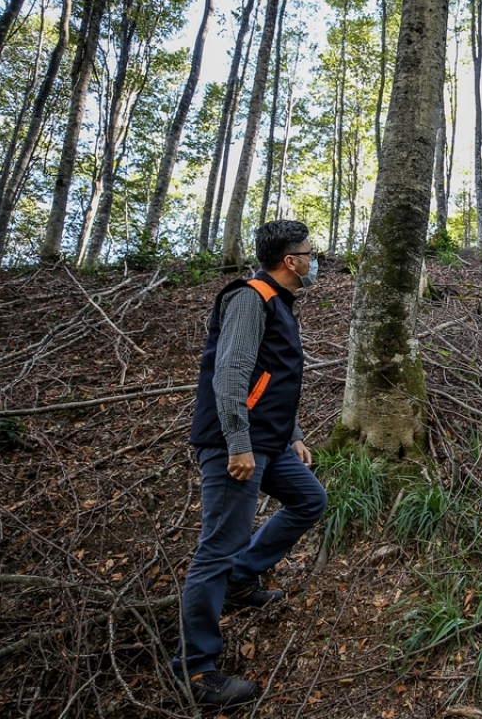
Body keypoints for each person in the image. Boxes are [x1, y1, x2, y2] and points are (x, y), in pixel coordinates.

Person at [174, 220, 328, 709]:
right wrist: (237, 442)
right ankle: (196, 671)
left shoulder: (280, 304)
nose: (313, 259)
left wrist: (294, 435)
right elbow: (232, 373)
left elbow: (277, 377)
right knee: (217, 549)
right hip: (235, 446)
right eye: (309, 252)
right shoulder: (249, 298)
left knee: (309, 499)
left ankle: (242, 580)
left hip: (271, 442)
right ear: (290, 261)